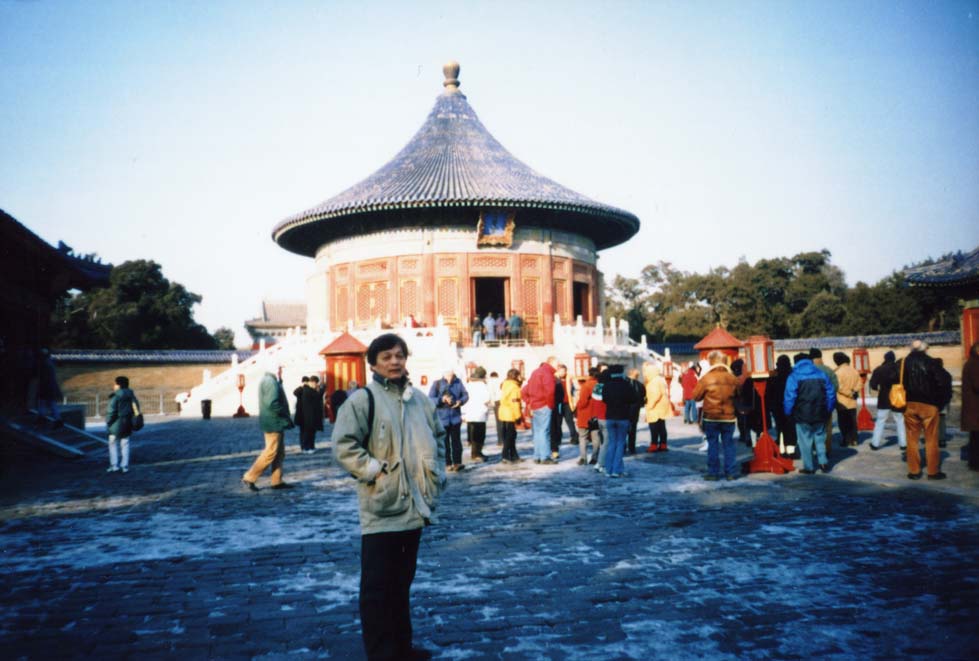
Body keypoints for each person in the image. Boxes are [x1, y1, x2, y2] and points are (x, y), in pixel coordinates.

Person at [332, 333, 445, 661]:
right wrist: (374, 470)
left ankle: (401, 647)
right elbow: (344, 445)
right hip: (382, 506)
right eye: (386, 357)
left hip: (416, 504)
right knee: (377, 589)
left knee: (401, 584)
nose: (395, 362)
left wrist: (436, 472)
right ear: (373, 364)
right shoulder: (362, 400)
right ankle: (383, 653)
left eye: (399, 355)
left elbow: (438, 436)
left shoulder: (419, 400)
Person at [900, 340, 952, 480]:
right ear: (925, 349)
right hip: (929, 405)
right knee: (931, 439)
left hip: (909, 404)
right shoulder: (932, 363)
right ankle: (932, 471)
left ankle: (914, 471)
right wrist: (940, 403)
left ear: (911, 349)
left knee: (911, 439)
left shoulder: (902, 363)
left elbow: (892, 379)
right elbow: (944, 381)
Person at [242, 362, 295, 491]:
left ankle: (276, 480)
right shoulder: (270, 382)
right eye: (280, 368)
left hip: (273, 421)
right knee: (271, 452)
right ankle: (250, 476)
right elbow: (273, 403)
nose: (281, 370)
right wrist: (283, 414)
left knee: (279, 453)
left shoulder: (269, 380)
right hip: (274, 421)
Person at [784, 352, 835, 475]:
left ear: (796, 362)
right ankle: (823, 461)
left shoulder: (794, 376)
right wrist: (828, 409)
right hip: (820, 412)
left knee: (805, 441)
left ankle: (809, 466)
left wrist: (788, 412)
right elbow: (831, 394)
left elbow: (789, 397)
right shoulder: (821, 374)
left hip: (802, 414)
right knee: (820, 438)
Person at [691, 351, 739, 481]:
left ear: (711, 362)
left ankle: (713, 473)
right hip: (729, 416)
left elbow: (696, 396)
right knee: (729, 444)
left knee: (713, 444)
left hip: (711, 416)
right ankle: (730, 473)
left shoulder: (707, 378)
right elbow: (739, 395)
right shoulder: (732, 378)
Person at [601, 365, 638, 477]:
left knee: (612, 443)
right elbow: (633, 399)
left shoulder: (607, 386)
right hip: (623, 416)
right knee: (620, 443)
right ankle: (617, 469)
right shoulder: (626, 385)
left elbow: (604, 399)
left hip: (610, 416)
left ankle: (608, 469)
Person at [429, 367, 468, 472]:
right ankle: (447, 463)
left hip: (455, 417)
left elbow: (465, 395)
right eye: (449, 376)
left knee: (456, 441)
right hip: (442, 418)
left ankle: (457, 462)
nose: (451, 378)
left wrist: (460, 401)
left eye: (452, 376)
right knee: (444, 442)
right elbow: (430, 399)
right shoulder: (436, 384)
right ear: (444, 375)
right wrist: (442, 399)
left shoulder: (458, 382)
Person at [522, 356, 559, 464]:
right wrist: (550, 405)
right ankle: (545, 456)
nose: (558, 366)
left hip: (535, 405)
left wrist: (529, 401)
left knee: (538, 432)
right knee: (544, 431)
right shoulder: (547, 373)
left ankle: (537, 456)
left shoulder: (535, 372)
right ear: (551, 363)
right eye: (557, 364)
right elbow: (550, 391)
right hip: (544, 404)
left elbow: (525, 390)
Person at [868, 351, 906, 452]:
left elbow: (873, 385)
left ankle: (875, 444)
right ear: (894, 358)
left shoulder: (879, 369)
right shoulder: (900, 369)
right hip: (897, 398)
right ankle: (903, 444)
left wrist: (880, 388)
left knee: (880, 421)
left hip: (884, 398)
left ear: (885, 358)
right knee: (900, 421)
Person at [106, 375, 140, 474]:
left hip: (115, 423)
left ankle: (114, 465)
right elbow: (136, 408)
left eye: (115, 383)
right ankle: (124, 466)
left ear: (118, 385)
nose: (114, 385)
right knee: (125, 443)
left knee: (112, 443)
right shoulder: (131, 395)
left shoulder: (116, 396)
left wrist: (109, 422)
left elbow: (111, 411)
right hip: (127, 422)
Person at [766, 355, 797, 458]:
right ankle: (791, 450)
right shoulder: (792, 374)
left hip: (777, 405)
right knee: (791, 428)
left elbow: (769, 392)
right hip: (791, 404)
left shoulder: (773, 376)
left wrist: (770, 405)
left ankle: (781, 449)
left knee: (780, 428)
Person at [810, 348, 839, 457]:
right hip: (827, 403)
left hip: (812, 404)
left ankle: (815, 448)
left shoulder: (810, 370)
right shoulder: (829, 370)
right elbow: (836, 386)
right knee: (827, 427)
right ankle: (827, 448)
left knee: (813, 427)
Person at [549, 363, 578, 460]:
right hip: (558, 403)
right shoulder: (554, 379)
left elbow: (575, 390)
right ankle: (558, 438)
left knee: (570, 421)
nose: (562, 373)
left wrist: (574, 401)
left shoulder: (569, 379)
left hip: (567, 402)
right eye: (560, 370)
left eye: (564, 371)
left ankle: (574, 437)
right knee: (558, 422)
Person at [461, 367, 490, 462]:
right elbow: (487, 399)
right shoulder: (482, 385)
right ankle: (477, 453)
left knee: (473, 435)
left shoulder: (468, 384)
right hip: (480, 413)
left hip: (470, 412)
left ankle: (475, 452)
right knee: (480, 435)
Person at [832, 352, 861, 447]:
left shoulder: (838, 372)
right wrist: (854, 392)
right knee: (853, 421)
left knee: (843, 422)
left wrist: (849, 393)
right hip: (852, 401)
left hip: (842, 401)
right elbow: (860, 383)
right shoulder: (854, 370)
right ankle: (854, 439)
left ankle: (846, 440)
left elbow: (839, 387)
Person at [575, 367, 602, 466]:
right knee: (596, 438)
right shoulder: (599, 385)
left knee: (583, 437)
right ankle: (595, 457)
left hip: (585, 415)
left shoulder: (586, 385)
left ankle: (583, 458)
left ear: (589, 374)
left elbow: (583, 402)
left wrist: (577, 406)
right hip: (596, 414)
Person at [644, 362, 671, 453]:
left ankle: (654, 445)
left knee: (654, 427)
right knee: (661, 426)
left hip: (655, 408)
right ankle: (663, 444)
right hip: (662, 407)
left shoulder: (654, 381)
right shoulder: (660, 379)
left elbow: (656, 394)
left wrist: (650, 405)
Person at [498, 368, 523, 463]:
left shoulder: (505, 384)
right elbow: (515, 403)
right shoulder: (514, 387)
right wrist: (518, 416)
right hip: (511, 413)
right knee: (511, 435)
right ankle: (505, 455)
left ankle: (514, 455)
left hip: (503, 412)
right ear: (516, 376)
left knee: (507, 435)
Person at [295, 375, 325, 454]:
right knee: (307, 433)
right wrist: (322, 389)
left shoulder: (310, 390)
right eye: (315, 383)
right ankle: (306, 447)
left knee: (311, 432)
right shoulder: (307, 390)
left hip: (311, 415)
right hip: (307, 416)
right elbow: (317, 397)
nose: (316, 385)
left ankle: (310, 447)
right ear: (312, 382)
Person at [961, 341, 979, 471]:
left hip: (974, 407)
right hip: (975, 407)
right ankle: (975, 463)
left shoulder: (971, 363)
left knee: (975, 437)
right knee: (976, 437)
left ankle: (974, 462)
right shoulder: (974, 364)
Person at [36, 348, 63, 426]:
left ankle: (43, 418)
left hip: (46, 386)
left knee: (43, 402)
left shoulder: (44, 364)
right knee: (50, 403)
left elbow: (43, 377)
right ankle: (57, 419)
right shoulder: (50, 363)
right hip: (50, 386)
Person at [625, 367, 645, 454]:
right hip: (635, 410)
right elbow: (643, 397)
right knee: (633, 430)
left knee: (623, 430)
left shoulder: (624, 383)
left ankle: (623, 447)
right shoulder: (640, 385)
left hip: (625, 410)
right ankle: (632, 447)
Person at [487, 370, 503, 446]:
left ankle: (500, 440)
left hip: (497, 402)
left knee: (498, 422)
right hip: (503, 401)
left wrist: (492, 403)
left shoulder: (490, 382)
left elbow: (491, 392)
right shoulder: (501, 380)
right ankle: (505, 438)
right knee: (504, 421)